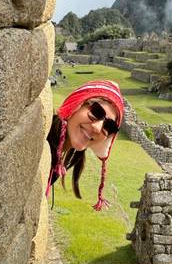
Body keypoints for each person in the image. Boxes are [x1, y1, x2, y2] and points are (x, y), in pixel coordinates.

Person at [46, 80, 124, 210]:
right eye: (97, 112)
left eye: (109, 126)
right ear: (76, 105)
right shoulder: (40, 141)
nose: (97, 128)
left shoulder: (58, 154)